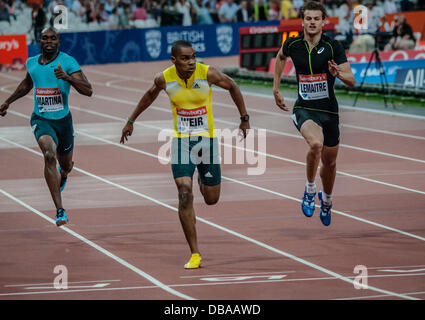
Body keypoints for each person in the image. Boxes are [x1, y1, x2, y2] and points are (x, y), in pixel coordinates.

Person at [120, 40, 250, 268]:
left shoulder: (207, 73)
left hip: (207, 142)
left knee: (211, 199)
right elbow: (149, 96)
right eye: (185, 58)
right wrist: (131, 120)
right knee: (184, 192)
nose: (191, 62)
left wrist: (244, 119)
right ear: (174, 60)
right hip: (182, 143)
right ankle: (195, 253)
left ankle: (201, 177)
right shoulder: (164, 78)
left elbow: (233, 86)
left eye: (193, 57)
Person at [273, 1, 355, 226]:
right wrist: (276, 88)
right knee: (316, 144)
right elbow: (280, 57)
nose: (312, 22)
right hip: (305, 108)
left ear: (323, 22)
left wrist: (338, 73)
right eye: (308, 18)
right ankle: (309, 190)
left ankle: (326, 200)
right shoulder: (293, 44)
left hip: (329, 111)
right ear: (302, 21)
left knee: (329, 164)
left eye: (316, 19)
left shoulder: (333, 47)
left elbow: (352, 81)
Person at [0, 27, 93, 226]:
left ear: (59, 42)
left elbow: (88, 90)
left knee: (65, 164)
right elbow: (27, 84)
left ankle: (65, 172)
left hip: (63, 121)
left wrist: (67, 78)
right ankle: (60, 211)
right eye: (45, 38)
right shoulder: (32, 62)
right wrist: (8, 101)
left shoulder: (68, 62)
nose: (49, 41)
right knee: (49, 155)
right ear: (39, 40)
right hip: (41, 119)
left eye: (53, 38)